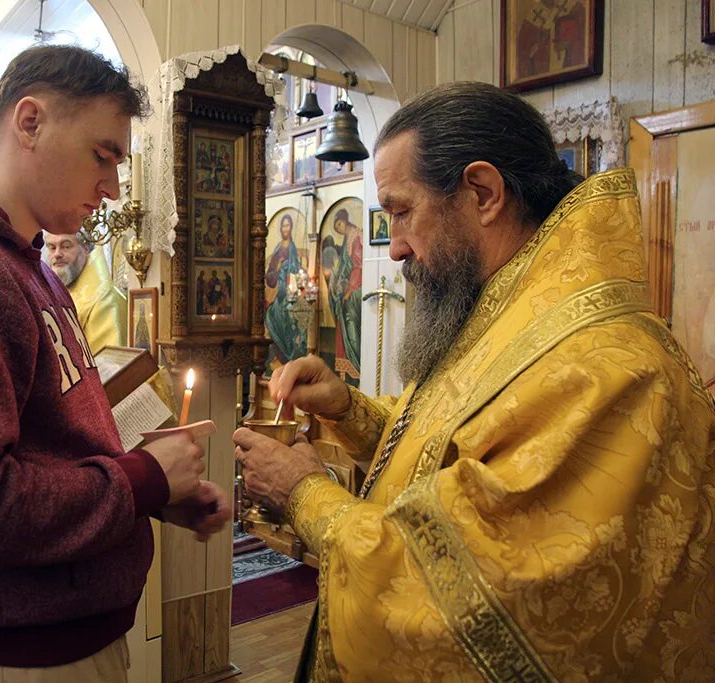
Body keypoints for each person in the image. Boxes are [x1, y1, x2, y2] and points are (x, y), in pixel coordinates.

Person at [233, 82, 715, 681]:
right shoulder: (505, 310)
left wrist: (304, 493)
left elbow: (462, 600)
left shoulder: (608, 369)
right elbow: (454, 451)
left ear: (483, 193)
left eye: (402, 212)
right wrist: (349, 409)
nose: (398, 247)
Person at [0, 45, 231, 683]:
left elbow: (51, 450)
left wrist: (154, 496)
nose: (114, 189)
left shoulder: (26, 264)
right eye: (103, 155)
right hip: (15, 661)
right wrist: (140, 479)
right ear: (29, 122)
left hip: (62, 640)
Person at [44, 230, 126, 355]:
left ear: (86, 249)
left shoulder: (105, 300)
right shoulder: (47, 291)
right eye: (52, 247)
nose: (57, 254)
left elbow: (109, 365)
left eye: (66, 246)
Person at [264, 213, 305, 364]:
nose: (285, 228)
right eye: (283, 225)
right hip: (277, 292)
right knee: (271, 315)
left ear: (291, 228)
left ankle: (288, 354)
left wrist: (297, 291)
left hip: (289, 292)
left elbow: (296, 271)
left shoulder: (293, 249)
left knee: (285, 315)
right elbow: (270, 275)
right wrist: (277, 268)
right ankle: (281, 354)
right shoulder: (277, 249)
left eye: (288, 225)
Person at [328, 208, 363, 378]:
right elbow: (344, 268)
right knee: (343, 319)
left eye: (339, 225)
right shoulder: (347, 240)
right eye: (336, 228)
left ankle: (358, 364)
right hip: (349, 288)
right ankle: (349, 366)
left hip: (357, 288)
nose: (339, 229)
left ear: (345, 221)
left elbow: (358, 266)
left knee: (349, 320)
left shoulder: (356, 237)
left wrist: (349, 290)